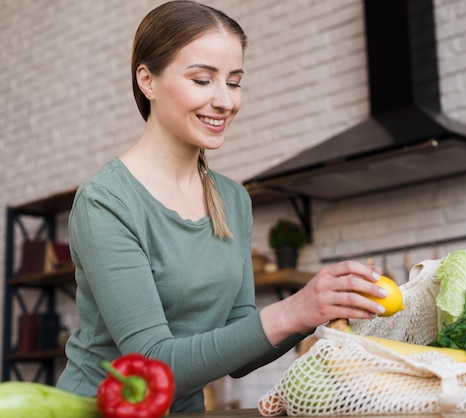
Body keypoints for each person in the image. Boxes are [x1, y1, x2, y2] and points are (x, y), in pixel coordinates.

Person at [56, 0, 388, 412]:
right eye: (202, 80)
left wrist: (317, 308)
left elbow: (240, 351)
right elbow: (151, 363)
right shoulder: (106, 201)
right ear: (148, 81)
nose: (225, 101)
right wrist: (293, 310)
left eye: (234, 82)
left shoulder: (232, 200)